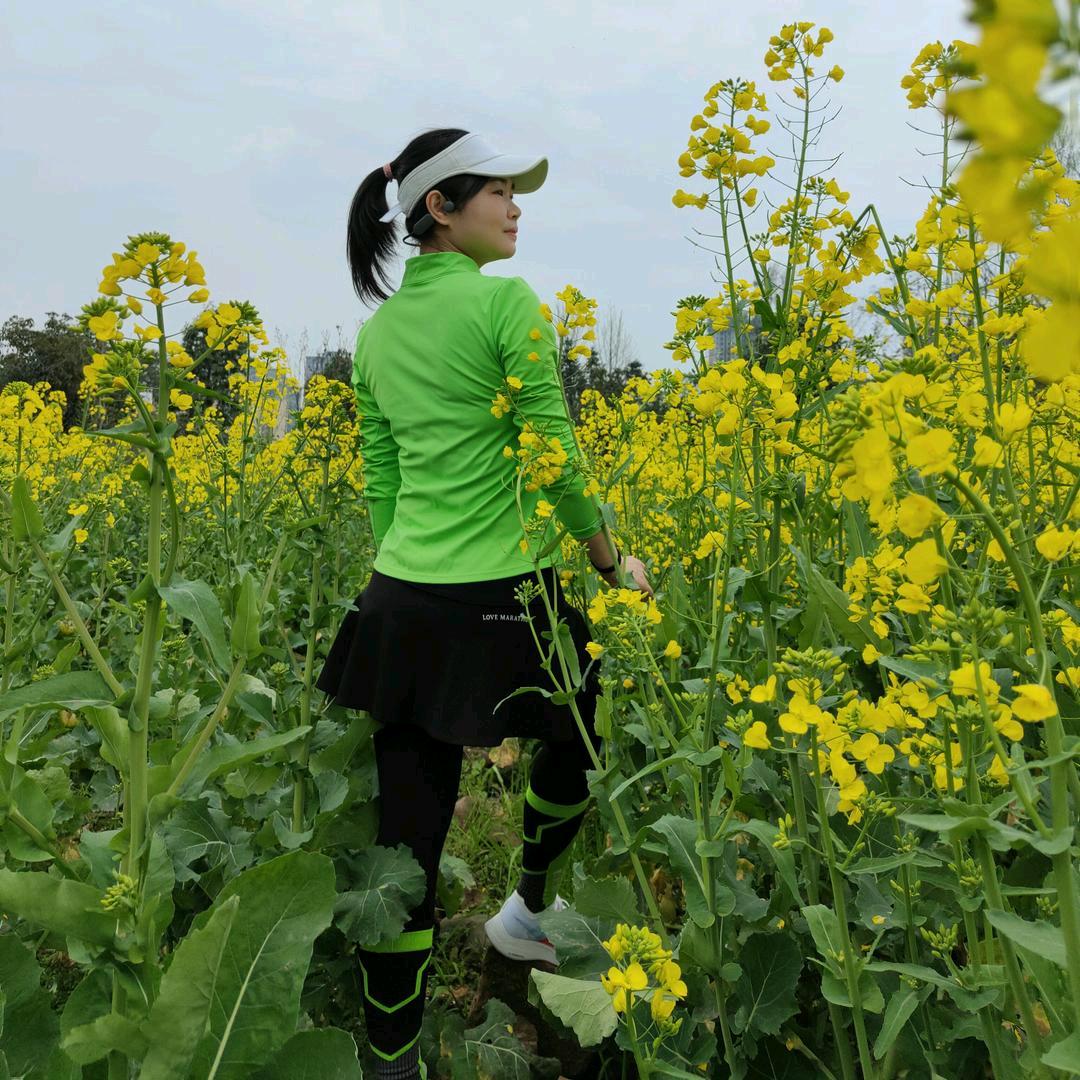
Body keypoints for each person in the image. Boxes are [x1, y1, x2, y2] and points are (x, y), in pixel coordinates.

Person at [316, 128, 653, 1079]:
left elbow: (384, 481)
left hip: (402, 599)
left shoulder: (378, 334)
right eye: (500, 191)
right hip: (509, 592)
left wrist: (402, 576)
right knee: (576, 731)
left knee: (409, 837)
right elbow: (556, 452)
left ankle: (389, 1058)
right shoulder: (508, 306)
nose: (516, 207)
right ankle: (524, 914)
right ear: (440, 208)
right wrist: (606, 560)